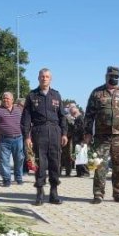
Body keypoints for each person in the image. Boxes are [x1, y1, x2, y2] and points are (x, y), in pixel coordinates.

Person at [84, 66, 119, 204]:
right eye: (111, 76)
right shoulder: (97, 93)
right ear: (106, 76)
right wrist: (87, 133)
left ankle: (118, 193)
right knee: (99, 165)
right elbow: (89, 115)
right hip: (101, 136)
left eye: (116, 76)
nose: (113, 79)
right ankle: (98, 194)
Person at [21, 68, 68, 205]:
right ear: (38, 78)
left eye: (47, 77)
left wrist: (64, 133)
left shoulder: (56, 95)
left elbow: (62, 116)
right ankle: (40, 192)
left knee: (55, 162)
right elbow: (26, 118)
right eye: (42, 76)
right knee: (40, 163)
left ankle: (54, 193)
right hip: (39, 131)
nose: (44, 78)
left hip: (55, 131)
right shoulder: (32, 96)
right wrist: (27, 137)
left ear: (50, 79)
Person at [0, 92, 24, 187]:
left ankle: (18, 177)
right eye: (3, 98)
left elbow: (25, 123)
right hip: (3, 140)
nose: (5, 100)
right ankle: (6, 179)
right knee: (4, 160)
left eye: (7, 98)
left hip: (18, 138)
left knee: (19, 159)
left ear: (12, 100)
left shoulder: (19, 110)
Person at [71, 105, 90, 177]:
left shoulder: (81, 118)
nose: (72, 114)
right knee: (78, 157)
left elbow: (83, 130)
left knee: (82, 156)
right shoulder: (77, 119)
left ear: (76, 110)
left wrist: (83, 140)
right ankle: (79, 172)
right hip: (76, 140)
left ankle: (85, 172)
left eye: (72, 112)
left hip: (80, 140)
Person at [61, 103, 77, 177]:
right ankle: (60, 171)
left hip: (68, 138)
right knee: (61, 155)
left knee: (67, 155)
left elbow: (73, 125)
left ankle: (67, 171)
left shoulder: (68, 117)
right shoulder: (63, 116)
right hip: (62, 137)